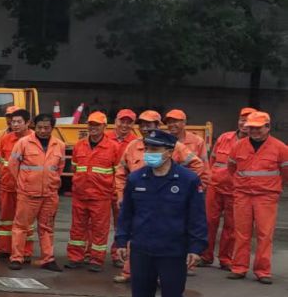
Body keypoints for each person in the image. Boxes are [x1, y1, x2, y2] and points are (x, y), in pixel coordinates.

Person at [115, 131, 207, 297]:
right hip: (142, 248)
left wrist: (196, 247)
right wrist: (121, 240)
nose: (149, 154)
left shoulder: (187, 180)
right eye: (147, 149)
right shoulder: (136, 179)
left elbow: (197, 217)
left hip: (173, 250)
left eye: (155, 150)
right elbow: (126, 214)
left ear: (169, 152)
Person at [114, 111, 204, 284]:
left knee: (165, 235)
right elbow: (121, 172)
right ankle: (129, 272)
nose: (145, 128)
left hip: (166, 200)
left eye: (149, 124)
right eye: (142, 124)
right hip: (139, 198)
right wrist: (121, 194)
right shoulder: (133, 146)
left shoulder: (173, 146)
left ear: (158, 126)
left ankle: (162, 276)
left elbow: (197, 165)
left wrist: (179, 188)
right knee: (137, 234)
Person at [227, 110, 288, 284]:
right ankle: (239, 268)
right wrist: (240, 185)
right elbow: (232, 168)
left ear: (268, 127)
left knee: (265, 234)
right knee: (241, 233)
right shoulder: (238, 146)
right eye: (251, 127)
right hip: (243, 194)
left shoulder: (280, 148)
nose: (254, 131)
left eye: (258, 128)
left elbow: (286, 172)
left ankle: (263, 271)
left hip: (266, 196)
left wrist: (273, 186)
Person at [8, 113, 66, 271]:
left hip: (49, 194)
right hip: (27, 193)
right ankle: (17, 258)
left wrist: (52, 182)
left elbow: (59, 168)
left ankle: (48, 259)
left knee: (47, 228)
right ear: (35, 126)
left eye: (46, 128)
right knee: (21, 226)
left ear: (52, 128)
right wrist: (23, 183)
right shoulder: (23, 143)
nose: (43, 131)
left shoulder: (59, 145)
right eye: (40, 127)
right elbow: (13, 165)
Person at [66, 112, 123, 272]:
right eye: (91, 124)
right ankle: (75, 258)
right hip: (80, 195)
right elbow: (75, 168)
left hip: (101, 196)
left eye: (97, 125)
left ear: (104, 126)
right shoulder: (79, 145)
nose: (93, 128)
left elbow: (118, 173)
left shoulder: (113, 147)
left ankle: (96, 260)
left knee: (99, 229)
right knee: (77, 228)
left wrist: (114, 191)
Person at [203, 107, 254, 269]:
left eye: (248, 121)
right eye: (242, 120)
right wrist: (210, 177)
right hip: (215, 186)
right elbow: (212, 159)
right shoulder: (224, 137)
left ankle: (225, 259)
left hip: (236, 190)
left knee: (231, 226)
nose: (244, 124)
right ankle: (205, 256)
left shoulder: (254, 144)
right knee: (209, 222)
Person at [0, 107, 33, 259]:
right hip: (7, 186)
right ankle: (4, 249)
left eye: (18, 122)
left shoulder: (34, 140)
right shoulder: (5, 139)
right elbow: (0, 160)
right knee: (6, 220)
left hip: (26, 188)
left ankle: (24, 252)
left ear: (27, 123)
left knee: (25, 222)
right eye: (13, 121)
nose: (15, 124)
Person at [109, 110, 138, 265]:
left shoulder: (136, 143)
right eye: (122, 121)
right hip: (103, 189)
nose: (125, 125)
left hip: (123, 190)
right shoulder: (104, 137)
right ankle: (91, 254)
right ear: (116, 121)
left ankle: (118, 254)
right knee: (95, 224)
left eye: (129, 122)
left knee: (122, 223)